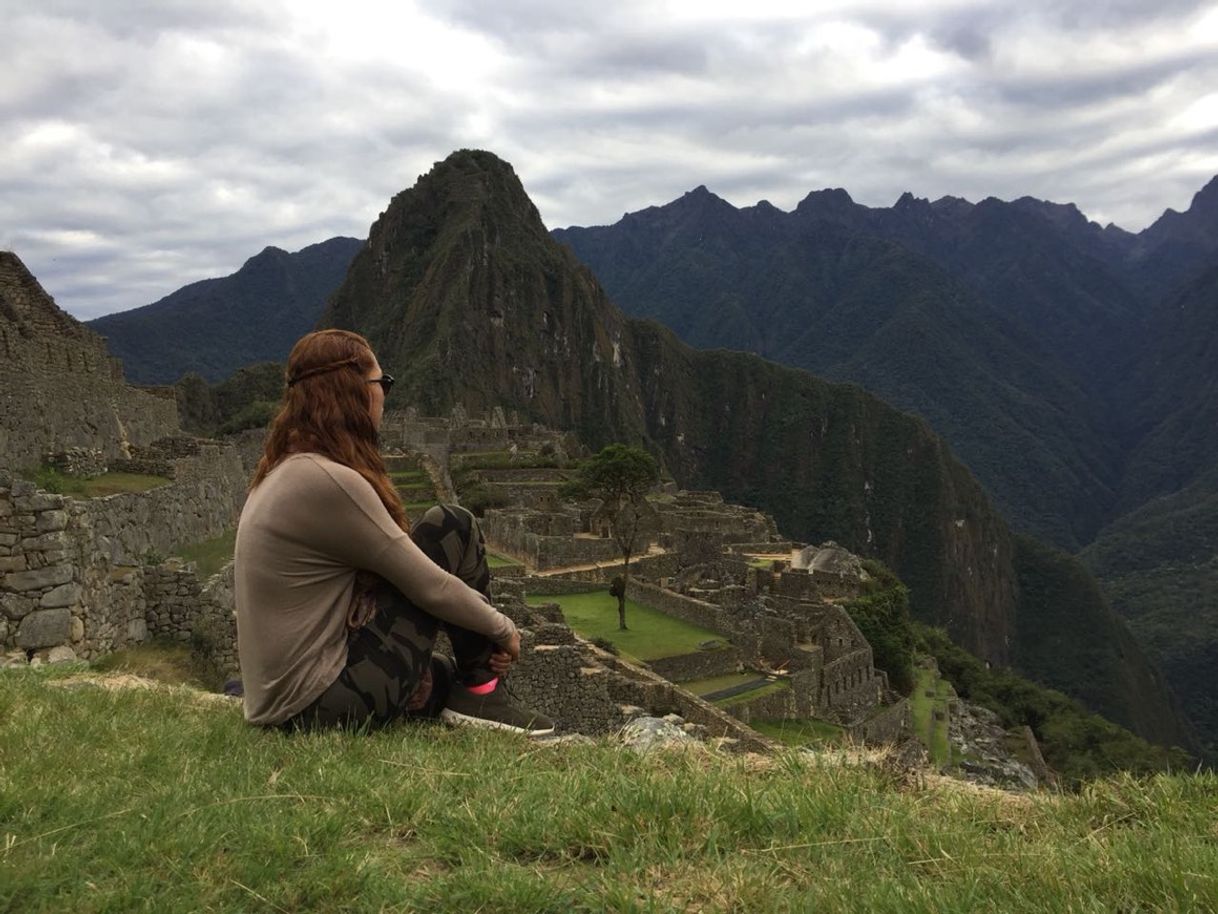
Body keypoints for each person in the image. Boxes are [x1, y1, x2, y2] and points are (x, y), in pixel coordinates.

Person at [234, 328, 553, 736]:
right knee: (450, 525)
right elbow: (429, 585)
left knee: (441, 676)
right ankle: (482, 688)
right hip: (316, 707)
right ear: (354, 391)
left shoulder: (285, 470)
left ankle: (473, 686)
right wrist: (501, 629)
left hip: (290, 700)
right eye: (382, 383)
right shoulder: (327, 481)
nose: (385, 393)